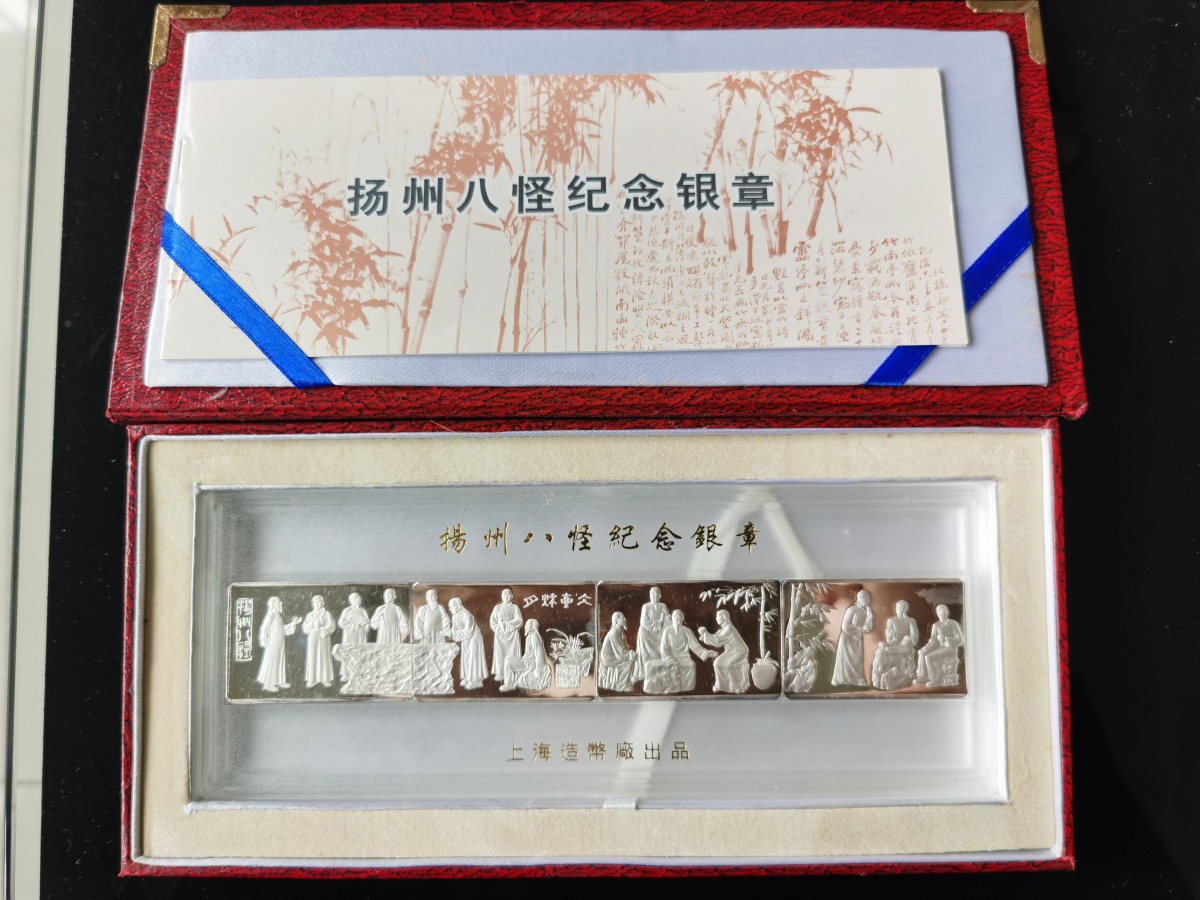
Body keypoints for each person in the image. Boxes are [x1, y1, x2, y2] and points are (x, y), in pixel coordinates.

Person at [651, 609, 714, 693]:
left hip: (684, 657)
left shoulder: (687, 631)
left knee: (691, 665)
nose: (677, 618)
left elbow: (695, 645)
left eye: (679, 616)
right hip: (671, 657)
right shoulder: (667, 630)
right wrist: (669, 657)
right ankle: (673, 688)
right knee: (672, 667)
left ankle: (687, 689)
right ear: (672, 618)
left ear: (683, 618)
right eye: (675, 616)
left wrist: (704, 652)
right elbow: (664, 647)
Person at [870, 599, 919, 691]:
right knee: (881, 646)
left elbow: (914, 638)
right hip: (894, 643)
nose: (899, 610)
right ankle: (877, 678)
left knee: (904, 646)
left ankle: (900, 676)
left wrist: (907, 638)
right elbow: (888, 637)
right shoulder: (891, 620)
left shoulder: (910, 621)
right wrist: (890, 635)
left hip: (904, 645)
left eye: (901, 608)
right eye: (898, 608)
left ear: (905, 609)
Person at [699, 609, 750, 694]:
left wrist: (705, 633)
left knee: (729, 665)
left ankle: (737, 686)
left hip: (740, 651)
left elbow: (717, 641)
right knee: (717, 663)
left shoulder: (729, 628)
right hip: (729, 652)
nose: (716, 618)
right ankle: (720, 686)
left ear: (724, 617)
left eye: (718, 616)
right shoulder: (722, 629)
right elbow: (715, 637)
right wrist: (704, 634)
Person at [831, 589, 874, 687]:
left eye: (868, 598)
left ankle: (857, 678)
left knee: (857, 660)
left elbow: (868, 628)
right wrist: (859, 630)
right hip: (848, 638)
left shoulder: (865, 612)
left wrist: (870, 617)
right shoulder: (852, 610)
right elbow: (844, 626)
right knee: (846, 659)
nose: (868, 600)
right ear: (859, 599)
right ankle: (841, 679)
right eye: (865, 598)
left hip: (857, 640)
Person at [256, 596, 299, 692]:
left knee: (280, 661)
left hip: (280, 643)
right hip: (273, 643)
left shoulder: (278, 616)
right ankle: (269, 684)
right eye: (279, 604)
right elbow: (265, 628)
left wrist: (293, 623)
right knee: (273, 662)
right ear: (274, 605)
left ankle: (280, 681)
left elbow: (282, 629)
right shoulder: (271, 615)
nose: (281, 605)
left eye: (281, 604)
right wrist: (265, 640)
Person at [916, 604, 965, 687]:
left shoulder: (952, 623)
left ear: (946, 612)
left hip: (950, 649)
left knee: (928, 657)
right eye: (938, 611)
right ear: (937, 613)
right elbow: (933, 641)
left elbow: (960, 639)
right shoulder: (936, 625)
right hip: (939, 648)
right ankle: (923, 676)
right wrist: (924, 649)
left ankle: (935, 680)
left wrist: (945, 638)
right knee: (922, 654)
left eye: (942, 611)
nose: (940, 613)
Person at [500, 619, 552, 692]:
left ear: (532, 627)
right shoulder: (529, 637)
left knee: (508, 662)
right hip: (526, 659)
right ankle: (511, 682)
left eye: (527, 625)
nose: (525, 626)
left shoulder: (534, 638)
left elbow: (539, 654)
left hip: (530, 663)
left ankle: (509, 684)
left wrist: (539, 670)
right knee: (507, 658)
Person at [448, 597, 487, 690]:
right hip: (466, 638)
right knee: (466, 657)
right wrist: (449, 631)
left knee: (474, 658)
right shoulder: (454, 616)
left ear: (458, 606)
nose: (450, 609)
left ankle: (476, 680)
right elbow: (455, 628)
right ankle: (467, 677)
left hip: (474, 637)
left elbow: (469, 632)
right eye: (449, 607)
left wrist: (453, 633)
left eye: (452, 606)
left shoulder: (467, 615)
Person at [302, 595, 337, 688]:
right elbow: (305, 627)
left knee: (324, 657)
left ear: (323, 603)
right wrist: (312, 625)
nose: (317, 603)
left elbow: (332, 626)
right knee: (312, 656)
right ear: (312, 603)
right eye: (315, 601)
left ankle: (325, 678)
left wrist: (322, 629)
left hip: (323, 638)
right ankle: (312, 679)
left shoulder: (327, 614)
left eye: (318, 601)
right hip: (313, 637)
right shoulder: (310, 615)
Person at [597, 611, 637, 692]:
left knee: (631, 657)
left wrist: (629, 653)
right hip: (608, 657)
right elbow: (620, 650)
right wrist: (630, 654)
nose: (625, 619)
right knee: (629, 661)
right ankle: (622, 684)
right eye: (623, 617)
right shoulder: (614, 632)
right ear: (618, 620)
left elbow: (620, 649)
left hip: (614, 654)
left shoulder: (618, 631)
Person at [488, 588, 523, 681]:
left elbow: (519, 619)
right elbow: (493, 621)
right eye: (504, 595)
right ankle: (501, 673)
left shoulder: (515, 607)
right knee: (500, 653)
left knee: (513, 653)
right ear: (501, 596)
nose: (506, 597)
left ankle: (513, 672)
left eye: (508, 595)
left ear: (512, 596)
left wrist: (508, 624)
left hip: (513, 635)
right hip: (500, 635)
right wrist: (500, 627)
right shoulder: (497, 608)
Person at [336, 592, 371, 681]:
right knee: (349, 652)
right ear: (351, 600)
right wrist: (351, 624)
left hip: (361, 634)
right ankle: (347, 673)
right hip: (350, 635)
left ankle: (361, 673)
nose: (357, 599)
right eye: (355, 598)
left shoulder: (363, 611)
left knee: (360, 652)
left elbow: (367, 621)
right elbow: (341, 622)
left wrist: (364, 627)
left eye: (358, 598)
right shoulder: (347, 610)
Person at [636, 586, 669, 677]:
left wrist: (664, 623)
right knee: (642, 632)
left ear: (660, 595)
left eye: (656, 594)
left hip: (660, 631)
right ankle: (645, 671)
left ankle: (661, 671)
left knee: (666, 638)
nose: (654, 595)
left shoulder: (663, 606)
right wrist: (656, 624)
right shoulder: (646, 606)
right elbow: (643, 621)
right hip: (647, 632)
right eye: (652, 594)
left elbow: (668, 619)